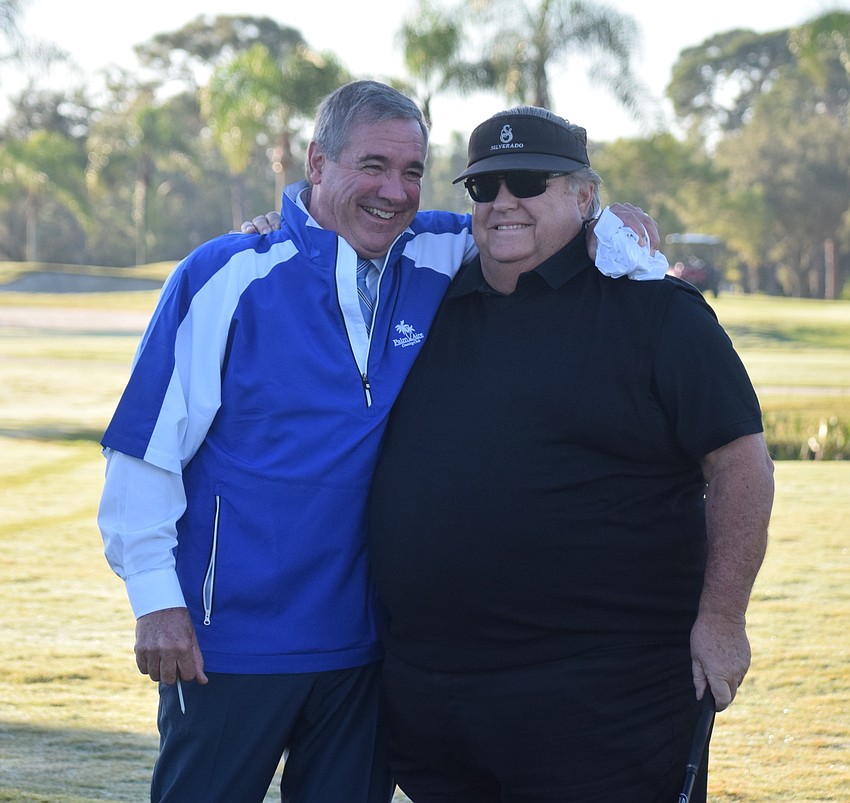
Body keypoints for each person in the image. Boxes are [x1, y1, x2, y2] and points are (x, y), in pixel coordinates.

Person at [97, 80, 661, 803]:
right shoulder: (225, 275)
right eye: (373, 166)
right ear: (317, 163)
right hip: (226, 642)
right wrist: (154, 599)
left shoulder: (436, 252)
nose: (395, 191)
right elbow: (144, 450)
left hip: (366, 650)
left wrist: (607, 217)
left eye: (414, 171)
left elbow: (524, 221)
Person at [367, 106, 775, 803]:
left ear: (584, 196)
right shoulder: (427, 306)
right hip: (435, 704)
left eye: (528, 182)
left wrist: (722, 618)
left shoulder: (656, 312)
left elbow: (741, 465)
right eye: (483, 187)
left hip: (605, 706)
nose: (502, 203)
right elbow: (338, 229)